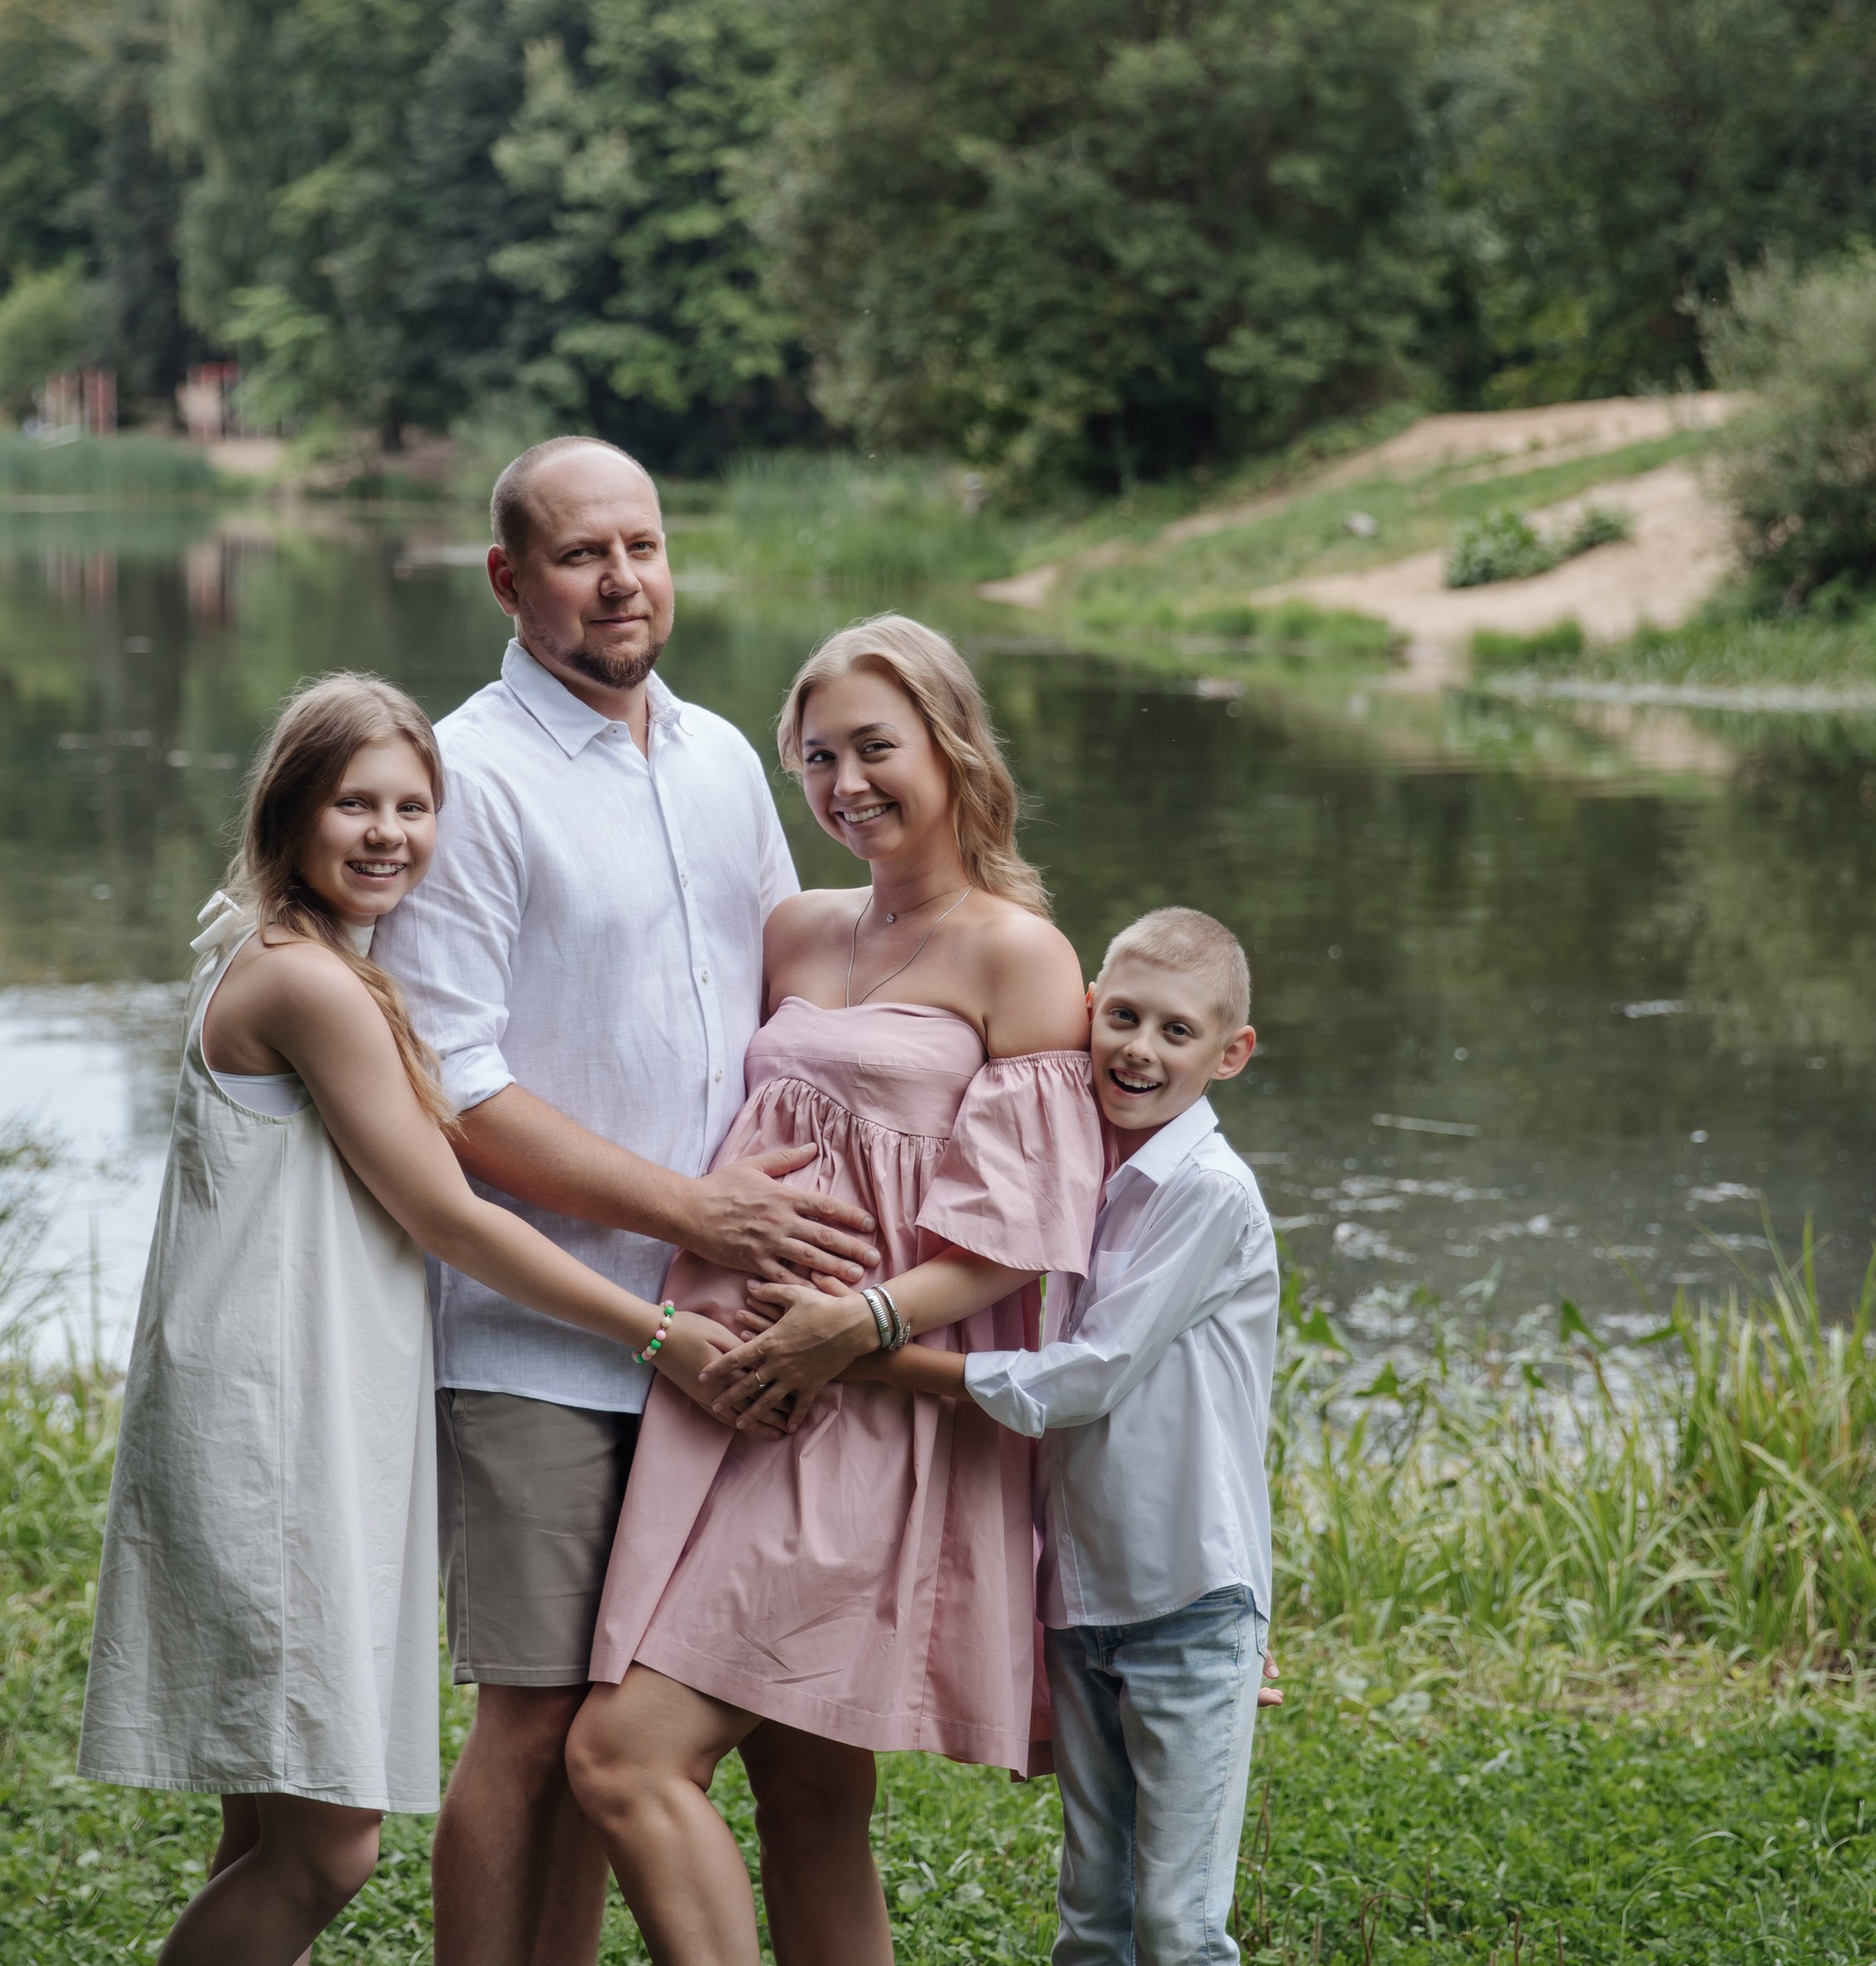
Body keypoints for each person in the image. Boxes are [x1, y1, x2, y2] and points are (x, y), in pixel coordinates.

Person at [76, 674, 741, 1966]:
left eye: (413, 806)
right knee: (331, 1849)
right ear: (289, 813)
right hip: (276, 1434)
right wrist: (657, 1332)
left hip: (291, 1409)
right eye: (355, 805)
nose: (389, 834)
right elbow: (452, 1217)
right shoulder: (306, 984)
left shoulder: (289, 950)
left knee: (267, 1830)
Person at [370, 440, 880, 1966]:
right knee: (532, 1723)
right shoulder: (468, 778)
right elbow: (452, 1088)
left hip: (725, 1337)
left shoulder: (727, 755)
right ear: (508, 579)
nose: (622, 581)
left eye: (643, 547)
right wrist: (689, 1210)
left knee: (632, 1728)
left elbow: (803, 984)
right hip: (542, 1333)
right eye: (583, 555)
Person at [567, 614, 1108, 1966]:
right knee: (810, 1797)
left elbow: (1027, 1229)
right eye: (818, 759)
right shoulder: (797, 932)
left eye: (878, 748)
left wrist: (857, 1324)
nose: (846, 783)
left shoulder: (1018, 955)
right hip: (732, 1391)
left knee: (623, 1759)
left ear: (953, 746)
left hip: (867, 1416)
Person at [847, 906, 1278, 1966]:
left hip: (1185, 1595)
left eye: (1176, 1031)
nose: (1138, 1048)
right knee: (1092, 1913)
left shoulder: (1205, 1193)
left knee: (1177, 1923)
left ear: (1231, 1053)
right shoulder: (1081, 1173)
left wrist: (879, 1351)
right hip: (1084, 1597)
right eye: (1122, 1016)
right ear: (1085, 1010)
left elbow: (1084, 1380)